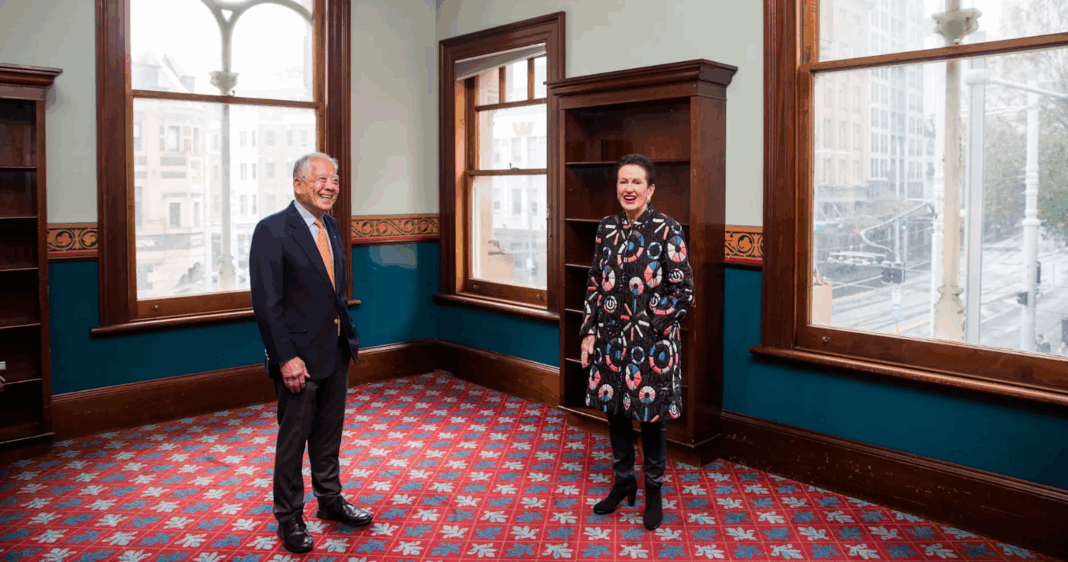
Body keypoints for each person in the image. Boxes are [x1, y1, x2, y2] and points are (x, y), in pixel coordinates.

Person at [249, 152, 372, 554]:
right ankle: (289, 517)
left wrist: (347, 337)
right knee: (293, 440)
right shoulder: (271, 231)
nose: (330, 186)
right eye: (321, 179)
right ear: (298, 184)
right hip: (297, 359)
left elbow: (334, 292)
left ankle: (330, 500)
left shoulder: (330, 225)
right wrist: (285, 357)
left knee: (328, 433)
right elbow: (267, 304)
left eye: (334, 179)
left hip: (335, 349)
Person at [579, 153, 694, 531]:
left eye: (636, 182)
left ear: (650, 189)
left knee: (651, 419)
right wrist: (590, 332)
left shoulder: (667, 229)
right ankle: (623, 481)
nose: (629, 189)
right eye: (623, 182)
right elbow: (595, 282)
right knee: (615, 411)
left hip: (653, 345)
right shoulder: (606, 228)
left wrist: (651, 325)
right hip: (611, 339)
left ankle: (654, 491)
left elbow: (684, 291)